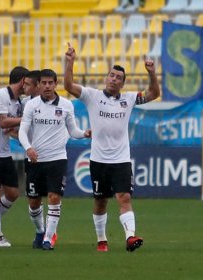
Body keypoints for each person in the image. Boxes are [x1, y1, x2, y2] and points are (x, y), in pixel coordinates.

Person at [64, 43, 160, 252]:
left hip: (121, 160)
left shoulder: (129, 99)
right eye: (111, 75)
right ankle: (101, 240)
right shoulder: (92, 96)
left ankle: (130, 237)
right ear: (107, 77)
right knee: (100, 202)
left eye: (118, 77)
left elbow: (153, 94)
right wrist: (70, 62)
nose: (114, 79)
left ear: (122, 83)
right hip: (98, 160)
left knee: (124, 197)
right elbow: (69, 86)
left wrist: (152, 73)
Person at [18, 69, 91, 250]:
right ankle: (40, 231)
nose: (48, 86)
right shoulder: (31, 105)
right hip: (35, 161)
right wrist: (28, 148)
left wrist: (84, 133)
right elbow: (22, 131)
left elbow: (72, 130)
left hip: (57, 159)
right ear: (39, 85)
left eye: (51, 83)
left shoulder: (66, 105)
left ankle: (49, 239)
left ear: (56, 84)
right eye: (44, 83)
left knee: (54, 197)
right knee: (34, 202)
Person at [0, 66, 29, 246]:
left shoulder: (19, 103)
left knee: (13, 193)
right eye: (29, 82)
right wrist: (26, 119)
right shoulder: (0, 95)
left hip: (4, 151)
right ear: (23, 80)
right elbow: (2, 122)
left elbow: (10, 129)